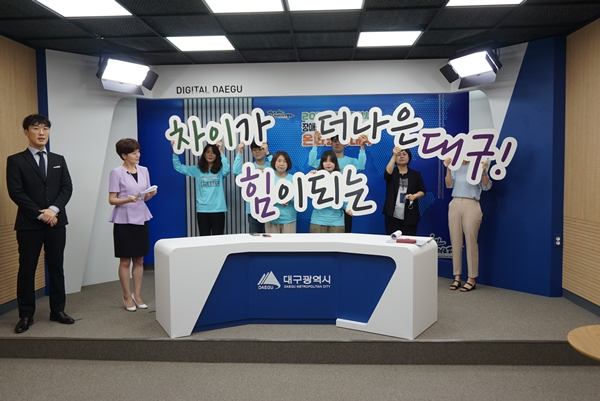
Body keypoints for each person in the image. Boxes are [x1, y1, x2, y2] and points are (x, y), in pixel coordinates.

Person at [6, 114, 74, 333]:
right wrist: (40, 214)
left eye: (45, 128)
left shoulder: (58, 159)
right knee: (27, 270)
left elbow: (66, 188)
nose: (42, 132)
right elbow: (16, 192)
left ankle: (58, 310)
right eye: (36, 128)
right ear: (26, 132)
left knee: (57, 268)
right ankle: (26, 315)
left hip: (56, 223)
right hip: (29, 225)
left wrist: (53, 210)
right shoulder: (16, 160)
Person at [109, 138, 157, 312]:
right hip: (123, 220)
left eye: (138, 151)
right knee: (125, 261)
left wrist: (151, 194)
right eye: (133, 153)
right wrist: (128, 199)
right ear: (124, 155)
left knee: (139, 259)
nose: (138, 155)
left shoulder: (144, 170)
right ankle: (127, 296)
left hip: (141, 218)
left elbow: (145, 196)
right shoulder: (116, 173)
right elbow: (112, 199)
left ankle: (137, 294)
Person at [444, 158, 492, 292]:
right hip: (455, 203)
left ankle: (471, 278)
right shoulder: (455, 165)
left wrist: (484, 172)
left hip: (471, 203)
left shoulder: (481, 163)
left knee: (471, 241)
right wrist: (448, 168)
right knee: (455, 241)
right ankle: (457, 276)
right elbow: (449, 184)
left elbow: (486, 186)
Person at [308, 131, 368, 233]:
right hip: (322, 208)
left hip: (344, 203)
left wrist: (362, 146)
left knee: (344, 234)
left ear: (346, 144)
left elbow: (361, 165)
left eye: (340, 141)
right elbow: (312, 162)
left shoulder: (351, 161)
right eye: (335, 141)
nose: (337, 143)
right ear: (331, 143)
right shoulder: (324, 163)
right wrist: (315, 144)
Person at [172, 141, 230, 236]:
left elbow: (227, 169)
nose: (210, 155)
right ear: (204, 154)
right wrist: (175, 151)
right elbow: (178, 167)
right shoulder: (197, 170)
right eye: (208, 152)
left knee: (218, 239)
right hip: (202, 210)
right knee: (204, 239)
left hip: (218, 210)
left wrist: (221, 151)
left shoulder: (220, 170)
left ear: (217, 155)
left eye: (213, 152)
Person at [383, 147, 426, 236]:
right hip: (392, 216)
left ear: (409, 157)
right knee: (392, 240)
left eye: (404, 154)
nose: (401, 156)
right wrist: (394, 155)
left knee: (408, 240)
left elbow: (422, 191)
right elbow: (387, 174)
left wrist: (415, 196)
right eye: (399, 155)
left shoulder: (415, 175)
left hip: (410, 216)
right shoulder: (392, 172)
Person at [233, 141, 272, 234]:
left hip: (269, 208)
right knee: (255, 239)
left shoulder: (270, 166)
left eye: (260, 149)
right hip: (253, 209)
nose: (257, 152)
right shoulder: (249, 168)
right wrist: (240, 151)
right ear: (251, 152)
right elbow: (236, 170)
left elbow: (277, 168)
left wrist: (267, 153)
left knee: (269, 239)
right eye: (254, 150)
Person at [309, 151, 352, 233]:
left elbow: (345, 197)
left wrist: (347, 207)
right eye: (325, 161)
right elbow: (307, 190)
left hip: (337, 221)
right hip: (318, 220)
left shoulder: (342, 178)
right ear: (322, 163)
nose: (328, 164)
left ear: (335, 163)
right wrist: (310, 177)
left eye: (331, 161)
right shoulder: (316, 176)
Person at [265, 151, 297, 233]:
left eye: (285, 161)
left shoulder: (294, 179)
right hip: (271, 219)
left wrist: (289, 200)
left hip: (289, 219)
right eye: (279, 161)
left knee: (289, 242)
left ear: (288, 164)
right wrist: (276, 200)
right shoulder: (268, 178)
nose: (281, 164)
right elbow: (263, 196)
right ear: (274, 162)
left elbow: (300, 198)